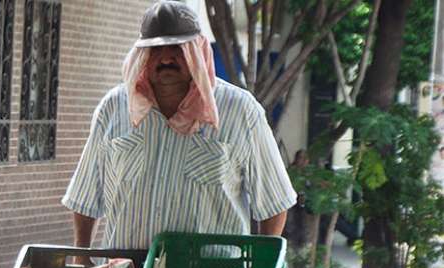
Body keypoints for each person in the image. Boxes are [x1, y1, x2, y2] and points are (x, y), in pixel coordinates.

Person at [62, 1, 297, 250]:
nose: (166, 58)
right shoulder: (113, 108)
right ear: (141, 55)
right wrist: (81, 257)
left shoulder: (240, 111)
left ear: (197, 51)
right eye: (155, 49)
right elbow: (85, 198)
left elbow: (274, 203)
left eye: (177, 48)